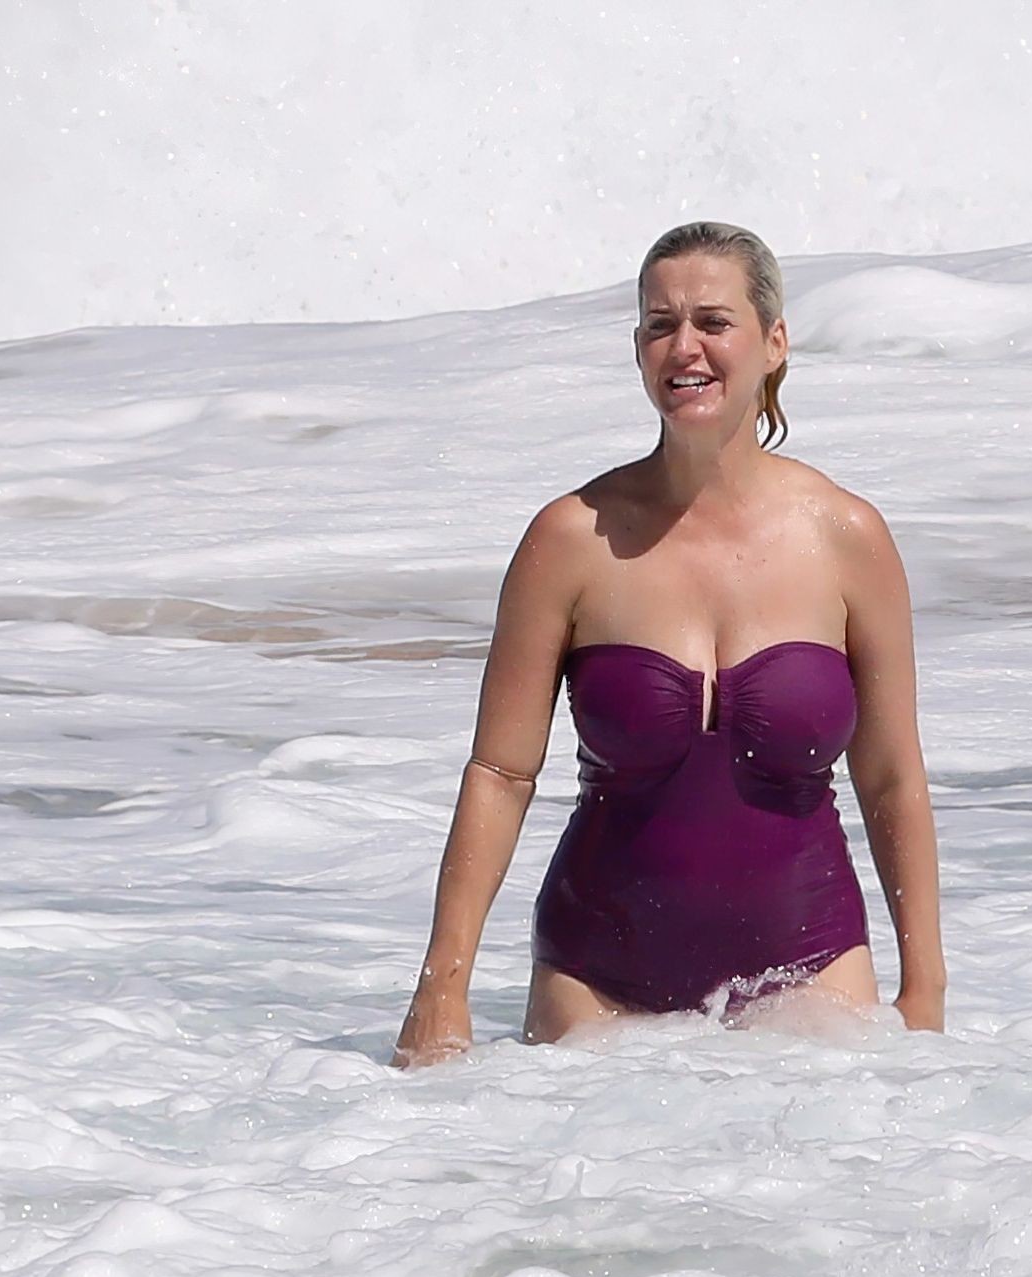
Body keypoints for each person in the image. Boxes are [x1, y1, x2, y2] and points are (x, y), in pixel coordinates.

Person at [392, 221, 945, 1067]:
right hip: (597, 985)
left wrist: (925, 990)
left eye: (713, 321)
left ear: (774, 341)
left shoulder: (847, 538)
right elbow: (500, 774)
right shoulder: (571, 540)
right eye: (660, 324)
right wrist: (442, 986)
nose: (684, 347)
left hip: (812, 976)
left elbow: (892, 777)